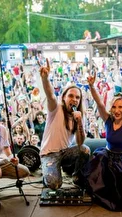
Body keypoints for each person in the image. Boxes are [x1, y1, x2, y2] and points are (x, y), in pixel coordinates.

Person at [83, 71, 122, 211]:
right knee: (91, 177)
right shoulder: (108, 120)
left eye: (120, 107)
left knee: (119, 193)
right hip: (106, 156)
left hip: (121, 160)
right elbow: (99, 104)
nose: (117, 110)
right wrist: (91, 86)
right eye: (114, 107)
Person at [38, 59, 90, 190]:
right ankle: (48, 175)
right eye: (71, 96)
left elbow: (79, 142)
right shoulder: (56, 109)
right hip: (49, 154)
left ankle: (77, 178)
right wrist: (45, 78)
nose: (74, 99)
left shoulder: (78, 115)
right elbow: (50, 95)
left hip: (65, 153)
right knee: (54, 184)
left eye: (77, 98)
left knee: (85, 149)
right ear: (64, 97)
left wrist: (79, 122)